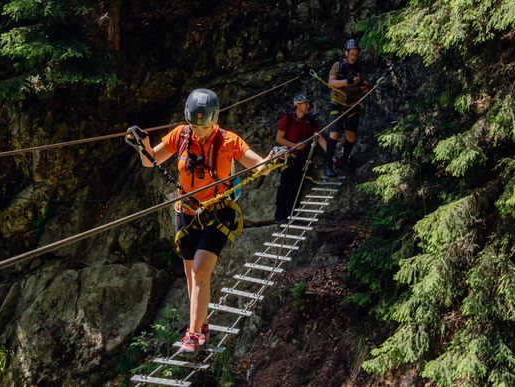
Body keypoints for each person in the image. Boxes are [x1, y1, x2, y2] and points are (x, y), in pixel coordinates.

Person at [128, 88, 273, 355]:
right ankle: (202, 325)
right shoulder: (181, 136)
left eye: (204, 126)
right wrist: (143, 145)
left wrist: (270, 161)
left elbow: (256, 163)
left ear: (214, 119)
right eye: (196, 125)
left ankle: (192, 334)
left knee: (200, 272)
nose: (200, 131)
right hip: (186, 212)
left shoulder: (229, 140)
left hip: (218, 213)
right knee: (190, 275)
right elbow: (151, 162)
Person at [274, 94, 328, 223]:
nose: (308, 106)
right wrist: (294, 145)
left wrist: (330, 154)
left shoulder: (310, 121)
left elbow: (318, 137)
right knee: (285, 187)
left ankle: (292, 215)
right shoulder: (287, 119)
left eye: (308, 103)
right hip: (288, 158)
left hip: (301, 159)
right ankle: (280, 216)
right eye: (305, 103)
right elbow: (279, 139)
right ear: (297, 105)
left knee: (297, 188)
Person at [324, 38, 370, 178]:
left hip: (353, 106)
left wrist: (362, 83)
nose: (354, 57)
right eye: (352, 54)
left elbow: (366, 88)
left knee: (351, 136)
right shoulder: (337, 66)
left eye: (356, 54)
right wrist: (347, 81)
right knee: (335, 134)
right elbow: (331, 82)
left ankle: (344, 160)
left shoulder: (360, 69)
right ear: (346, 53)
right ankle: (328, 165)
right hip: (337, 104)